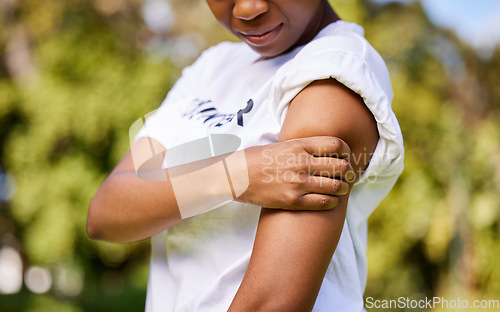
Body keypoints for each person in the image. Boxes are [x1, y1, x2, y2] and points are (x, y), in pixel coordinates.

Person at [87, 0, 404, 311]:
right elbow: (106, 212)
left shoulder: (336, 73)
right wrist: (235, 175)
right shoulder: (213, 66)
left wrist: (194, 184)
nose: (247, 10)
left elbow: (270, 303)